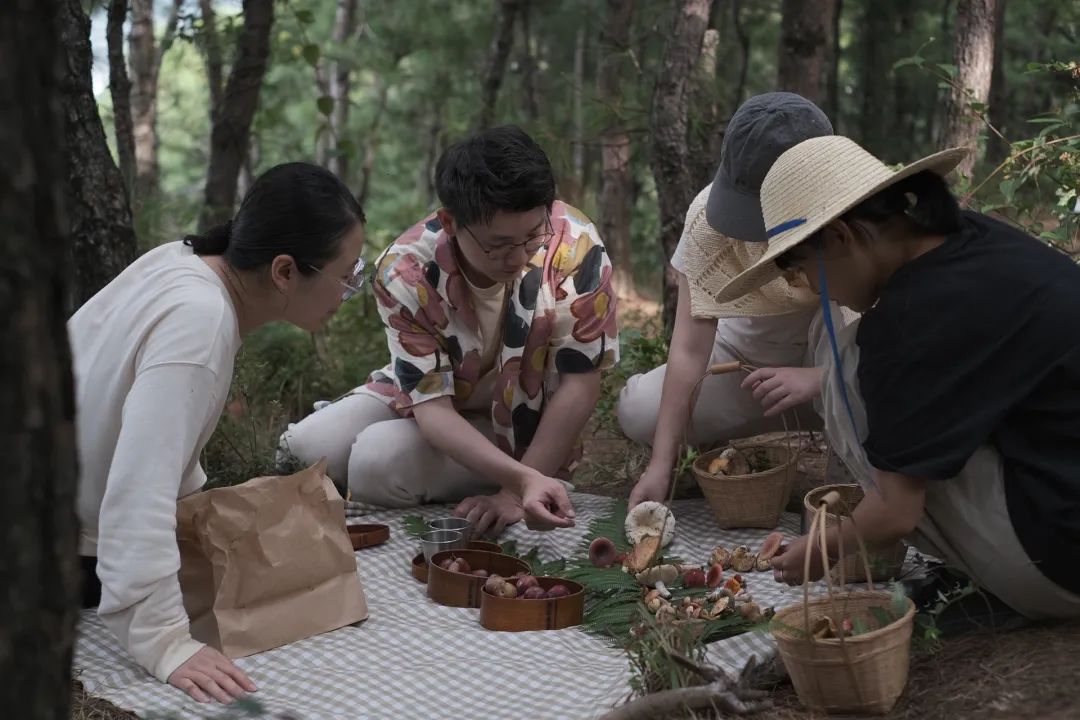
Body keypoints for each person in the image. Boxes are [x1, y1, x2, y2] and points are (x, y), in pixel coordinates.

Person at [713, 134, 1080, 620]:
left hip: (1061, 562)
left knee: (846, 366)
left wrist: (823, 548)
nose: (807, 286)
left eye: (800, 270)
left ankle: (1001, 583)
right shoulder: (980, 240)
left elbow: (896, 512)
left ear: (842, 237)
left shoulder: (907, 323)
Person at [71, 163, 367, 703]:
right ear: (284, 271)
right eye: (346, 274)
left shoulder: (183, 263)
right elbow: (139, 490)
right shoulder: (199, 322)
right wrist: (165, 642)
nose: (349, 290)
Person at [280, 125, 619, 537]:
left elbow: (580, 386)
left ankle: (535, 476)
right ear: (450, 222)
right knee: (303, 449)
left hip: (527, 424)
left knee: (374, 462)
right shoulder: (406, 271)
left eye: (532, 237)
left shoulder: (575, 248)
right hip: (433, 403)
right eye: (497, 244)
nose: (517, 257)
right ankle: (503, 478)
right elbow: (434, 411)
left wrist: (516, 490)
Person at [620, 92, 843, 508]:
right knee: (639, 410)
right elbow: (690, 346)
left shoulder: (861, 211)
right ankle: (713, 450)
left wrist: (821, 380)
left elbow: (888, 349)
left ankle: (851, 476)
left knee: (866, 392)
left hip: (837, 362)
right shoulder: (707, 219)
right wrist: (661, 464)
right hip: (748, 362)